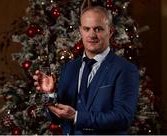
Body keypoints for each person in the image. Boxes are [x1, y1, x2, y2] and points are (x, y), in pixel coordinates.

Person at [33, 4, 139, 135]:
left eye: (98, 29)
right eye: (86, 29)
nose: (92, 35)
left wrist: (77, 117)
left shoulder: (125, 69)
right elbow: (55, 118)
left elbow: (123, 118)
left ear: (110, 31)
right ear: (80, 31)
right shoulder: (70, 68)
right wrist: (49, 94)